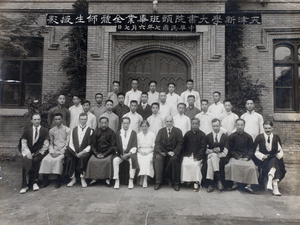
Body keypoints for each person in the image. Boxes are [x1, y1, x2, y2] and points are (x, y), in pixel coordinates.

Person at [225, 119, 258, 194]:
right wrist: (237, 156)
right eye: (238, 125)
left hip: (246, 157)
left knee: (252, 167)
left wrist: (247, 157)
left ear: (244, 126)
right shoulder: (231, 137)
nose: (240, 127)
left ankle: (249, 185)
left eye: (241, 125)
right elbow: (230, 149)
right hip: (235, 157)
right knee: (232, 165)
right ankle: (235, 184)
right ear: (235, 125)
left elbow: (251, 149)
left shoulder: (248, 136)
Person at [253, 121, 286, 196]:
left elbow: (280, 150)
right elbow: (255, 151)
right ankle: (275, 186)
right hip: (264, 161)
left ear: (272, 128)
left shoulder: (276, 137)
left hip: (273, 158)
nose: (267, 130)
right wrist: (262, 156)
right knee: (274, 162)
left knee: (274, 160)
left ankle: (271, 181)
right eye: (266, 128)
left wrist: (278, 156)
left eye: (269, 128)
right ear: (263, 128)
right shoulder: (259, 137)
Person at [19, 113, 49, 194]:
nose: (37, 121)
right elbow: (23, 143)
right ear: (31, 120)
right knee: (26, 160)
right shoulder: (27, 130)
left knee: (36, 160)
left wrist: (38, 153)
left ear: (40, 120)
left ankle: (34, 182)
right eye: (35, 119)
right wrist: (28, 153)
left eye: (38, 119)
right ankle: (25, 185)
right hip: (28, 151)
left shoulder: (44, 130)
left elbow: (46, 144)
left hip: (39, 152)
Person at [39, 113, 71, 189]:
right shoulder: (51, 131)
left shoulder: (67, 130)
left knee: (57, 160)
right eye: (56, 119)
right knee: (45, 160)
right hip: (54, 151)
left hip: (63, 151)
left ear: (62, 120)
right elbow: (51, 143)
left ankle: (58, 180)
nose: (57, 121)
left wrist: (59, 153)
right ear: (53, 120)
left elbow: (68, 143)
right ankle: (45, 180)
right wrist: (52, 152)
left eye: (59, 119)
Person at [153, 116, 183, 191]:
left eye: (170, 121)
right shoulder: (161, 131)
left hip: (173, 153)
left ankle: (176, 183)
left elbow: (180, 143)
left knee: (174, 160)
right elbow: (157, 143)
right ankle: (158, 182)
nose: (169, 123)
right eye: (167, 121)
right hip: (163, 152)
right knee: (158, 158)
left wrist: (174, 152)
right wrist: (161, 152)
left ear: (173, 122)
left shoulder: (178, 131)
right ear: (165, 122)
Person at [85, 117, 117, 186]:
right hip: (97, 152)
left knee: (107, 161)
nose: (103, 125)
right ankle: (94, 178)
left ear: (108, 123)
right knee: (91, 161)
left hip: (108, 153)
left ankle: (107, 179)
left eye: (105, 123)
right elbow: (92, 145)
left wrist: (104, 154)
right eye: (102, 123)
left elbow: (113, 146)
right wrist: (96, 153)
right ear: (99, 123)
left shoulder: (112, 132)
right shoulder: (96, 132)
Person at [65, 113, 93, 188]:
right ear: (79, 120)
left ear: (87, 120)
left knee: (83, 158)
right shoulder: (74, 130)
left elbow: (90, 145)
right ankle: (73, 178)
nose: (83, 121)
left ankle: (82, 178)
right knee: (70, 159)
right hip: (75, 152)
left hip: (84, 152)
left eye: (84, 119)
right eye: (81, 119)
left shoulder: (90, 130)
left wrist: (82, 152)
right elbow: (70, 143)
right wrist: (75, 153)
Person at [181, 118, 206, 192]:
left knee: (195, 165)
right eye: (193, 124)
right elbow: (183, 146)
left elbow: (203, 148)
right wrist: (185, 155)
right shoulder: (187, 134)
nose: (194, 126)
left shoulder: (202, 135)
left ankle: (196, 183)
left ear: (199, 125)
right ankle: (188, 181)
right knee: (184, 164)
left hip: (198, 156)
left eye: (196, 124)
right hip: (188, 155)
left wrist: (198, 157)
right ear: (191, 124)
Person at [113, 117, 138, 189]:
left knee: (133, 159)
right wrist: (120, 153)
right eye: (124, 123)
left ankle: (131, 180)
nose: (126, 125)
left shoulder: (133, 133)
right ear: (122, 124)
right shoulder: (118, 133)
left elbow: (134, 145)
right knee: (115, 160)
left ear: (129, 124)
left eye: (127, 123)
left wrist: (128, 154)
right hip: (121, 154)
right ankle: (116, 180)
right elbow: (116, 145)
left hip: (129, 154)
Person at [205, 118, 228, 193]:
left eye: (217, 126)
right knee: (212, 157)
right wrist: (213, 151)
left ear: (220, 125)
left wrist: (218, 152)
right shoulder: (208, 136)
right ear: (212, 126)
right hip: (212, 155)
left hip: (221, 157)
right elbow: (206, 150)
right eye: (214, 126)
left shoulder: (224, 136)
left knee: (210, 161)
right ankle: (219, 181)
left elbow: (226, 151)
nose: (215, 128)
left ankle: (210, 184)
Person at [137, 120, 156, 188]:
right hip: (140, 151)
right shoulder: (138, 135)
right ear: (140, 127)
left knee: (147, 160)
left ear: (148, 126)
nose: (144, 128)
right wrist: (141, 152)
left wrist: (147, 152)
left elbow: (154, 146)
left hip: (150, 151)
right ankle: (141, 176)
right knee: (140, 159)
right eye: (143, 126)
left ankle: (145, 178)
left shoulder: (152, 134)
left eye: (145, 126)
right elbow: (137, 146)